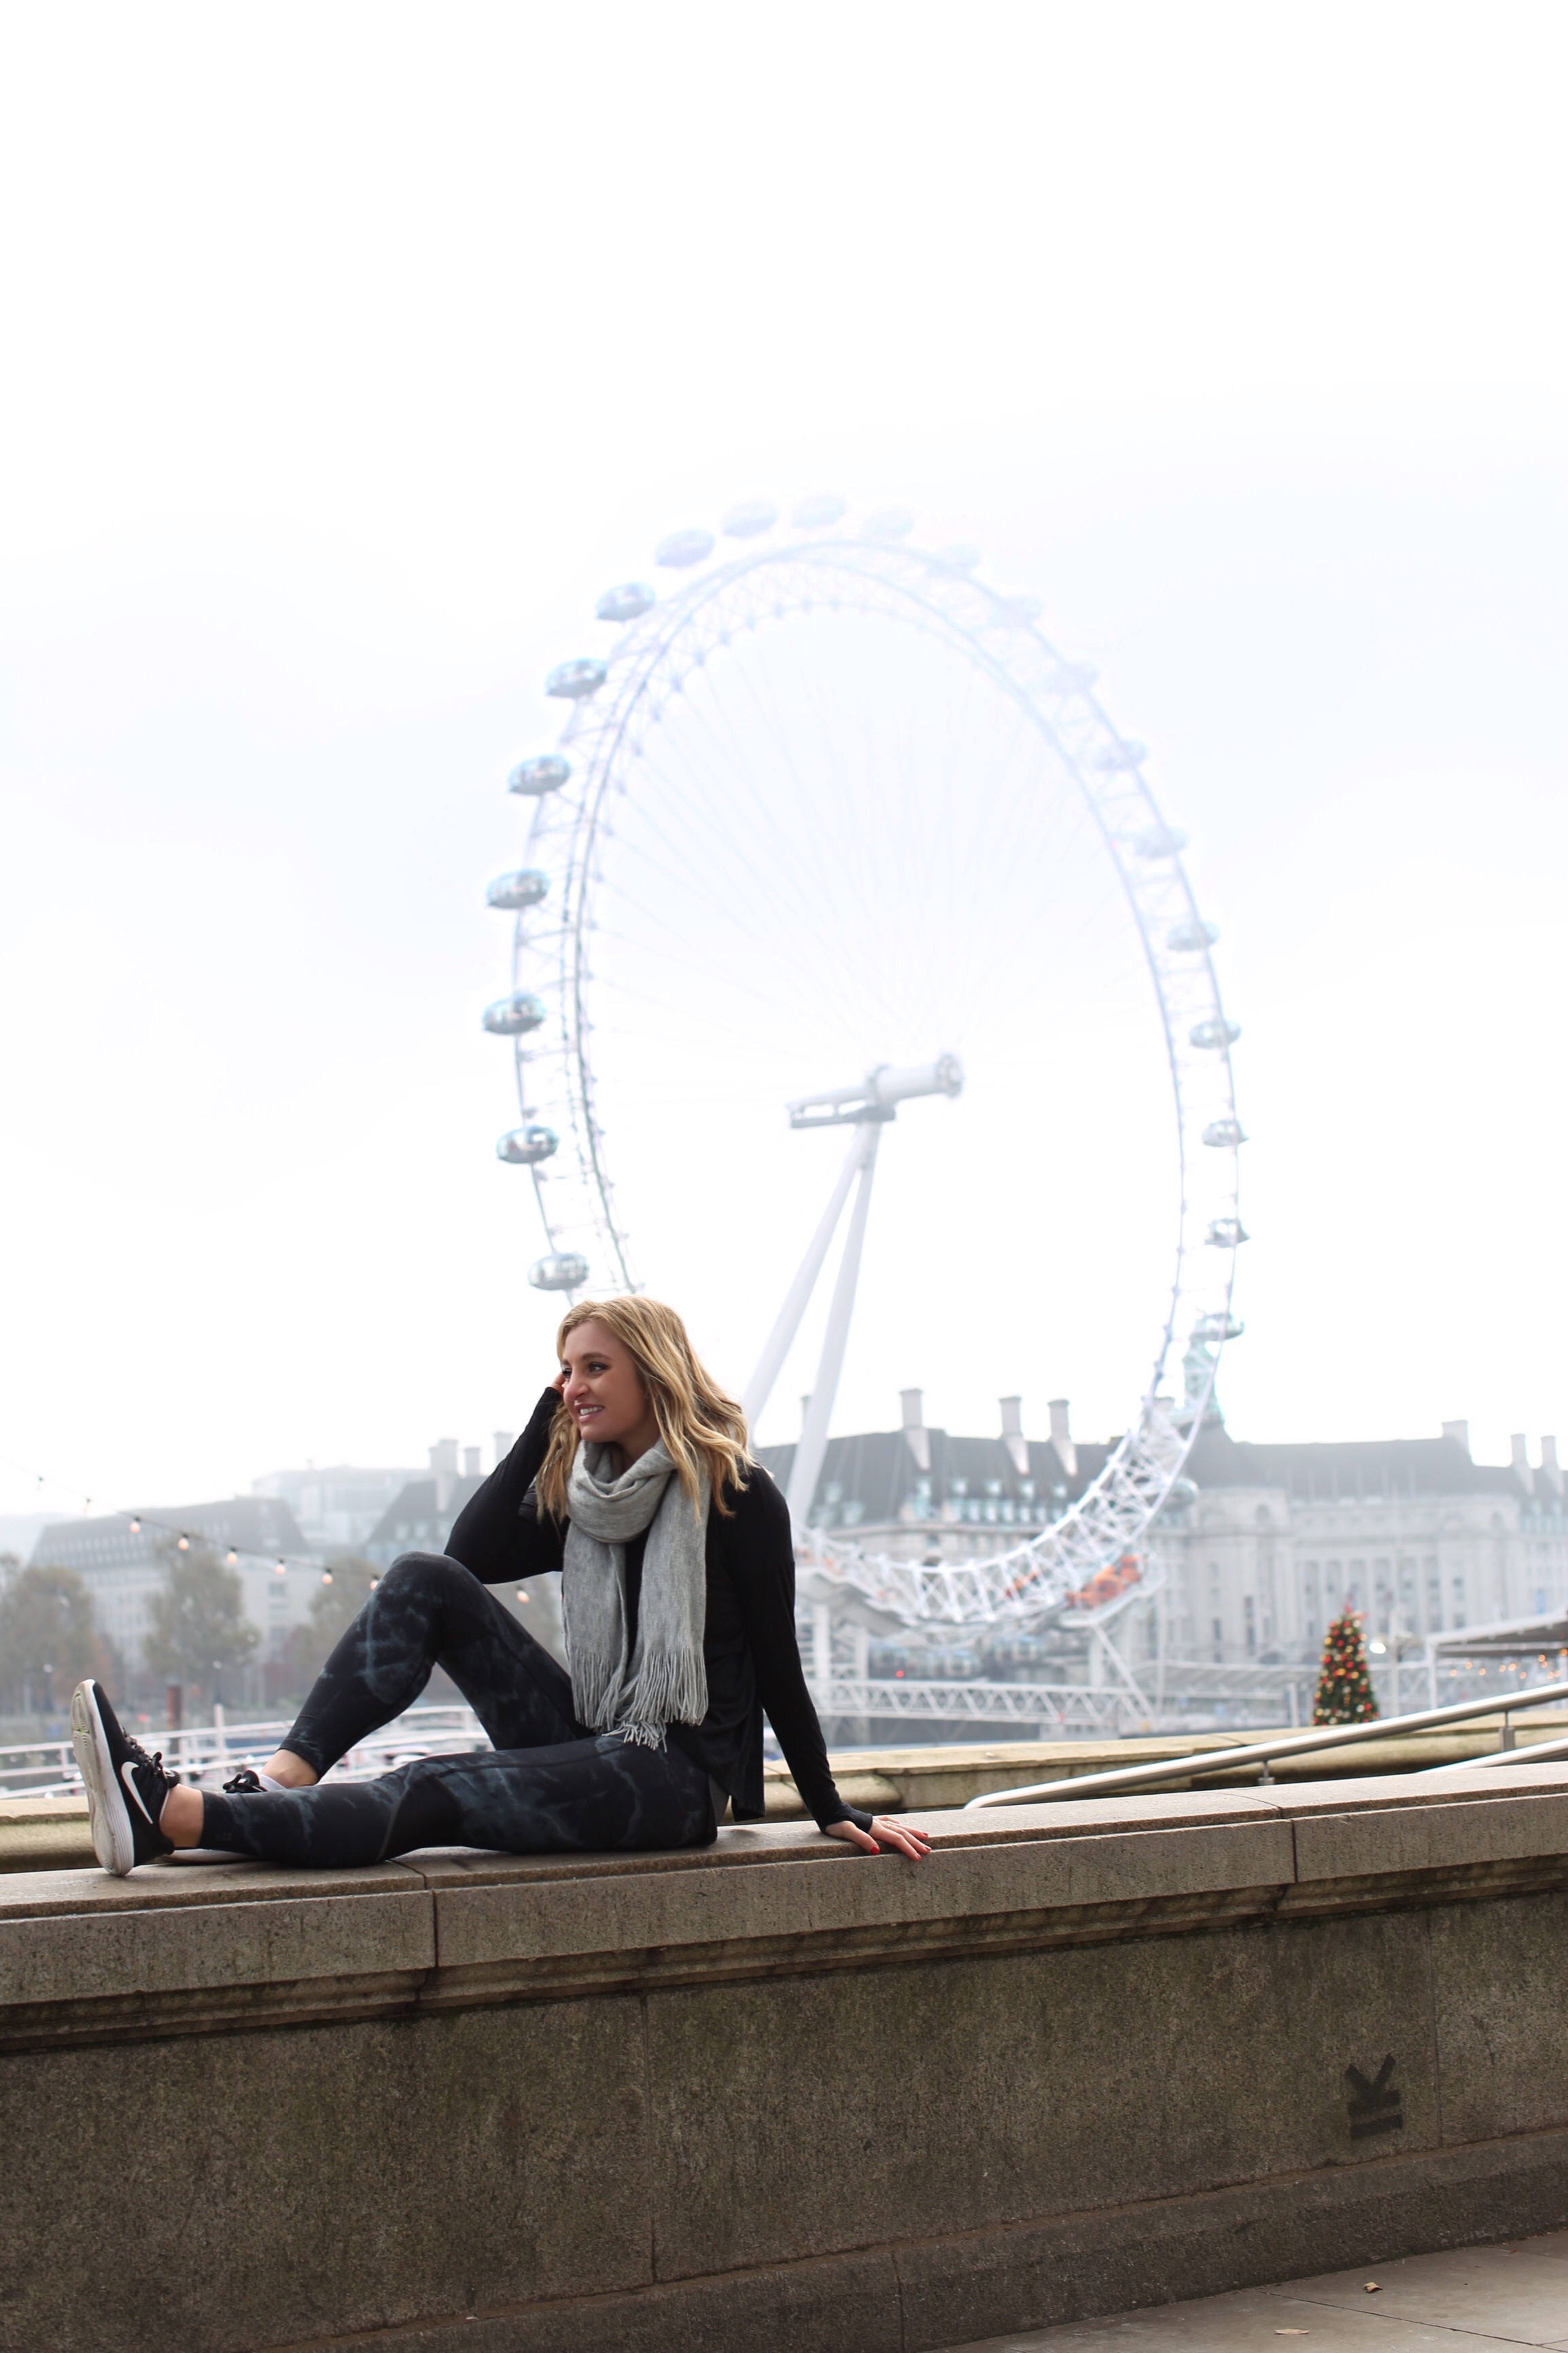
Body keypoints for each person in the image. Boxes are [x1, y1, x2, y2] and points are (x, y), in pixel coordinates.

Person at [71, 1296, 932, 1876]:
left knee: (433, 1783)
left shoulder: (736, 1495)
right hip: (594, 1735)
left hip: (674, 1778)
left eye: (594, 1367)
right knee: (421, 1577)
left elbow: (780, 1664)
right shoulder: (590, 1503)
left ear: (652, 1371)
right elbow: (464, 1557)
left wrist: (828, 1805)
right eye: (566, 1369)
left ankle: (175, 1815)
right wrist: (543, 1421)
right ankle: (277, 1782)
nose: (575, 1385)